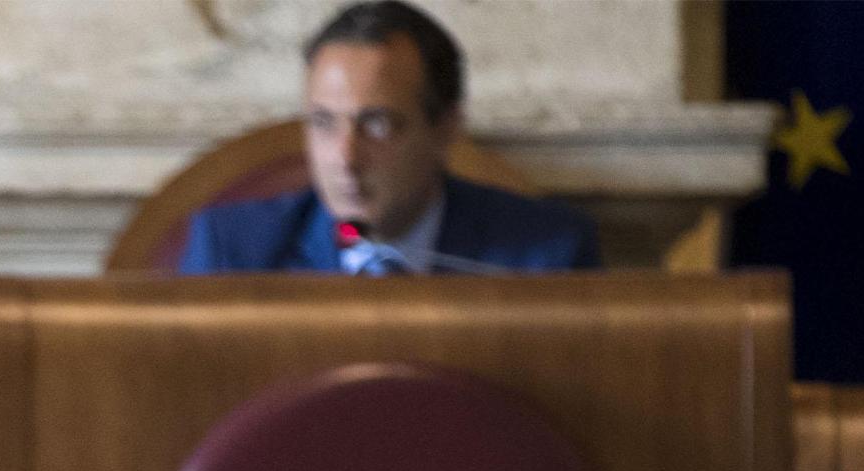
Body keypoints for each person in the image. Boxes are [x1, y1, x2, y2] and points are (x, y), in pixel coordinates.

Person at [180, 2, 599, 275]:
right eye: (324, 123)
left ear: (445, 129)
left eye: (377, 125)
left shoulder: (547, 255)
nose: (345, 158)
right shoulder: (231, 252)